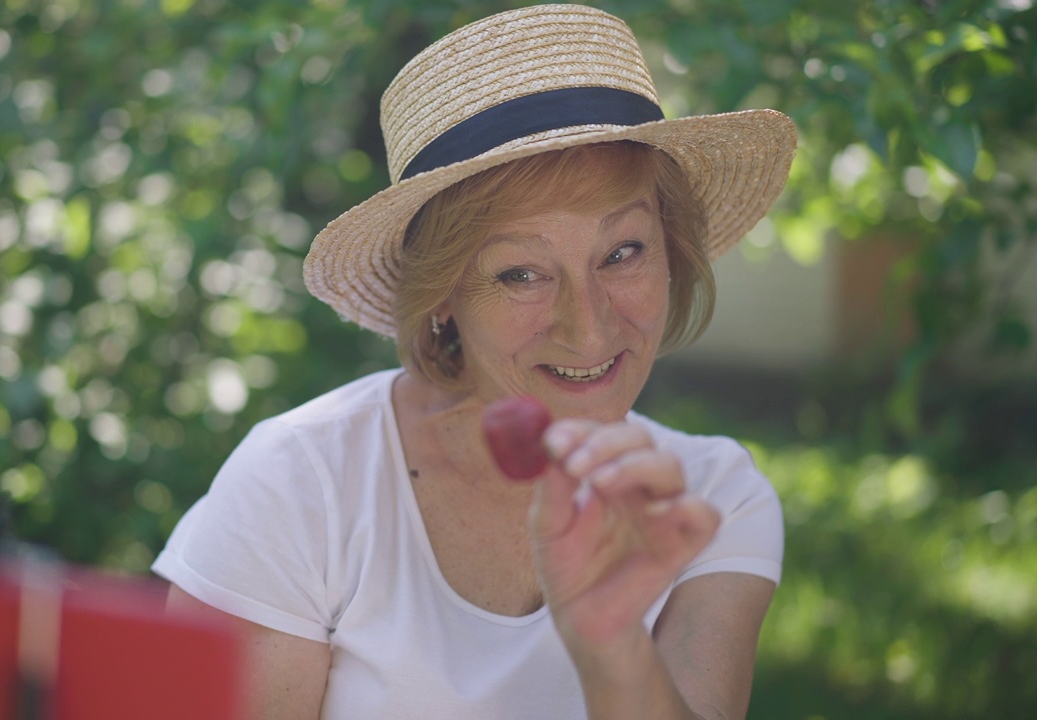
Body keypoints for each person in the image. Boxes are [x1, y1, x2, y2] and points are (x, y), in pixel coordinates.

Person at [153, 4, 796, 719]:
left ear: (669, 250)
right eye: (521, 273)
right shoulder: (303, 484)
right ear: (441, 296)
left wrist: (613, 650)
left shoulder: (712, 500)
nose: (587, 327)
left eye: (622, 252)